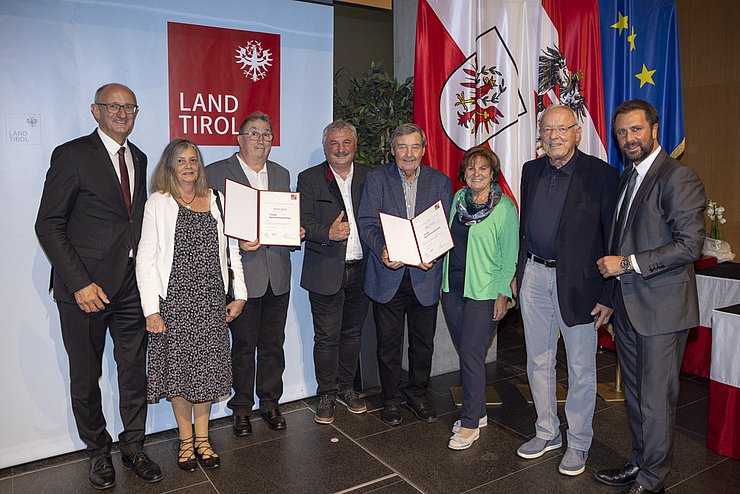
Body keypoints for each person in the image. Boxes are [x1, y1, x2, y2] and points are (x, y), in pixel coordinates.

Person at [35, 83, 162, 489]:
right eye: (114, 106)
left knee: (133, 373)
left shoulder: (139, 158)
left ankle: (134, 446)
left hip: (129, 287)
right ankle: (97, 453)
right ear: (96, 110)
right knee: (86, 376)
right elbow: (49, 225)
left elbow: (135, 222)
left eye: (130, 107)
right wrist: (80, 283)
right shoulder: (71, 155)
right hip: (84, 291)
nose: (122, 113)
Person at [596, 100, 706, 494]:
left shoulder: (678, 177)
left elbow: (689, 245)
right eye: (622, 132)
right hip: (628, 308)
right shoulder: (628, 177)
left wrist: (625, 264)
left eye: (636, 130)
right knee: (639, 395)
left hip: (661, 310)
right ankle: (640, 462)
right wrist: (611, 295)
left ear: (654, 129)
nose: (629, 139)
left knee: (657, 399)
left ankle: (653, 479)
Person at [515, 105, 618, 476]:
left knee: (580, 367)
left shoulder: (602, 175)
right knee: (537, 361)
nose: (554, 135)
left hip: (581, 286)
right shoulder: (530, 170)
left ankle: (578, 443)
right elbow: (527, 228)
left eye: (562, 128)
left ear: (577, 132)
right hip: (534, 278)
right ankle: (547, 432)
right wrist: (518, 271)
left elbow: (613, 237)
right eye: (547, 129)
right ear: (539, 135)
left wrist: (608, 296)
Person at [135, 139, 248, 471]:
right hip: (174, 302)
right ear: (170, 166)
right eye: (181, 160)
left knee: (207, 373)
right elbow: (145, 259)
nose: (188, 166)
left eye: (193, 160)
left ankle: (203, 438)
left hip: (212, 300)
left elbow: (232, 253)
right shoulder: (158, 202)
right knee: (181, 374)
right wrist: (150, 310)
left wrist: (239, 293)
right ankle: (186, 441)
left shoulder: (216, 200)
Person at [206, 111, 299, 435]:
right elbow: (207, 226)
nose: (261, 140)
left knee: (274, 344)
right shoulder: (216, 173)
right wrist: (235, 241)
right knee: (243, 347)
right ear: (240, 138)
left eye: (267, 134)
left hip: (278, 273)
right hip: (241, 278)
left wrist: (293, 230)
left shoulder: (281, 172)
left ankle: (270, 403)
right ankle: (241, 408)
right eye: (254, 134)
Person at [357, 123, 452, 426]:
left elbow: (443, 228)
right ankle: (391, 399)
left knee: (423, 343)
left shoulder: (439, 182)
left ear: (424, 150)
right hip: (389, 274)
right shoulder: (376, 180)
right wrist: (384, 250)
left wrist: (433, 252)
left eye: (414, 147)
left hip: (425, 276)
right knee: (388, 343)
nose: (408, 154)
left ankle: (417, 395)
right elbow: (367, 223)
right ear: (393, 150)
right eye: (402, 147)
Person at [441, 146, 518, 450]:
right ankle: (480, 412)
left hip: (485, 292)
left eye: (483, 168)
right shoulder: (458, 200)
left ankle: (470, 423)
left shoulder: (505, 209)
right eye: (471, 168)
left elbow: (509, 257)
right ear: (464, 173)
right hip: (453, 288)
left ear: (492, 173)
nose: (476, 174)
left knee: (472, 355)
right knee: (467, 352)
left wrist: (502, 295)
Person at [298, 121, 371, 424]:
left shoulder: (371, 176)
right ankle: (326, 393)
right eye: (333, 143)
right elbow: (302, 219)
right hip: (325, 270)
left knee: (352, 335)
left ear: (355, 146)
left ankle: (347, 388)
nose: (340, 149)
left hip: (363, 270)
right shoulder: (310, 178)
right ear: (326, 146)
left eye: (346, 143)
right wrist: (327, 231)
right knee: (326, 337)